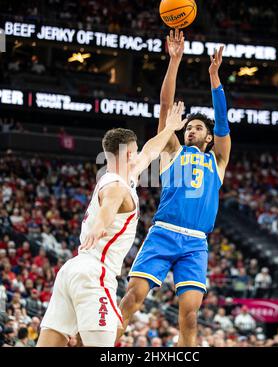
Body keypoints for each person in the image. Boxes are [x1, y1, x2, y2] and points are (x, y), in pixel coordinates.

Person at [37, 102, 187, 347]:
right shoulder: (116, 187)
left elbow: (151, 150)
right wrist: (99, 225)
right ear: (128, 154)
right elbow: (109, 205)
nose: (139, 154)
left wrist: (170, 127)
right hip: (95, 274)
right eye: (135, 150)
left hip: (72, 270)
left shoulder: (122, 176)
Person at [119, 29, 231, 346]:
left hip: (196, 243)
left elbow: (222, 121)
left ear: (209, 138)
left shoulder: (218, 161)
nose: (192, 131)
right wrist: (175, 60)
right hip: (164, 231)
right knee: (132, 298)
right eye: (190, 127)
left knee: (190, 317)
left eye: (198, 128)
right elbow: (166, 104)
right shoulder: (173, 150)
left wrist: (214, 77)